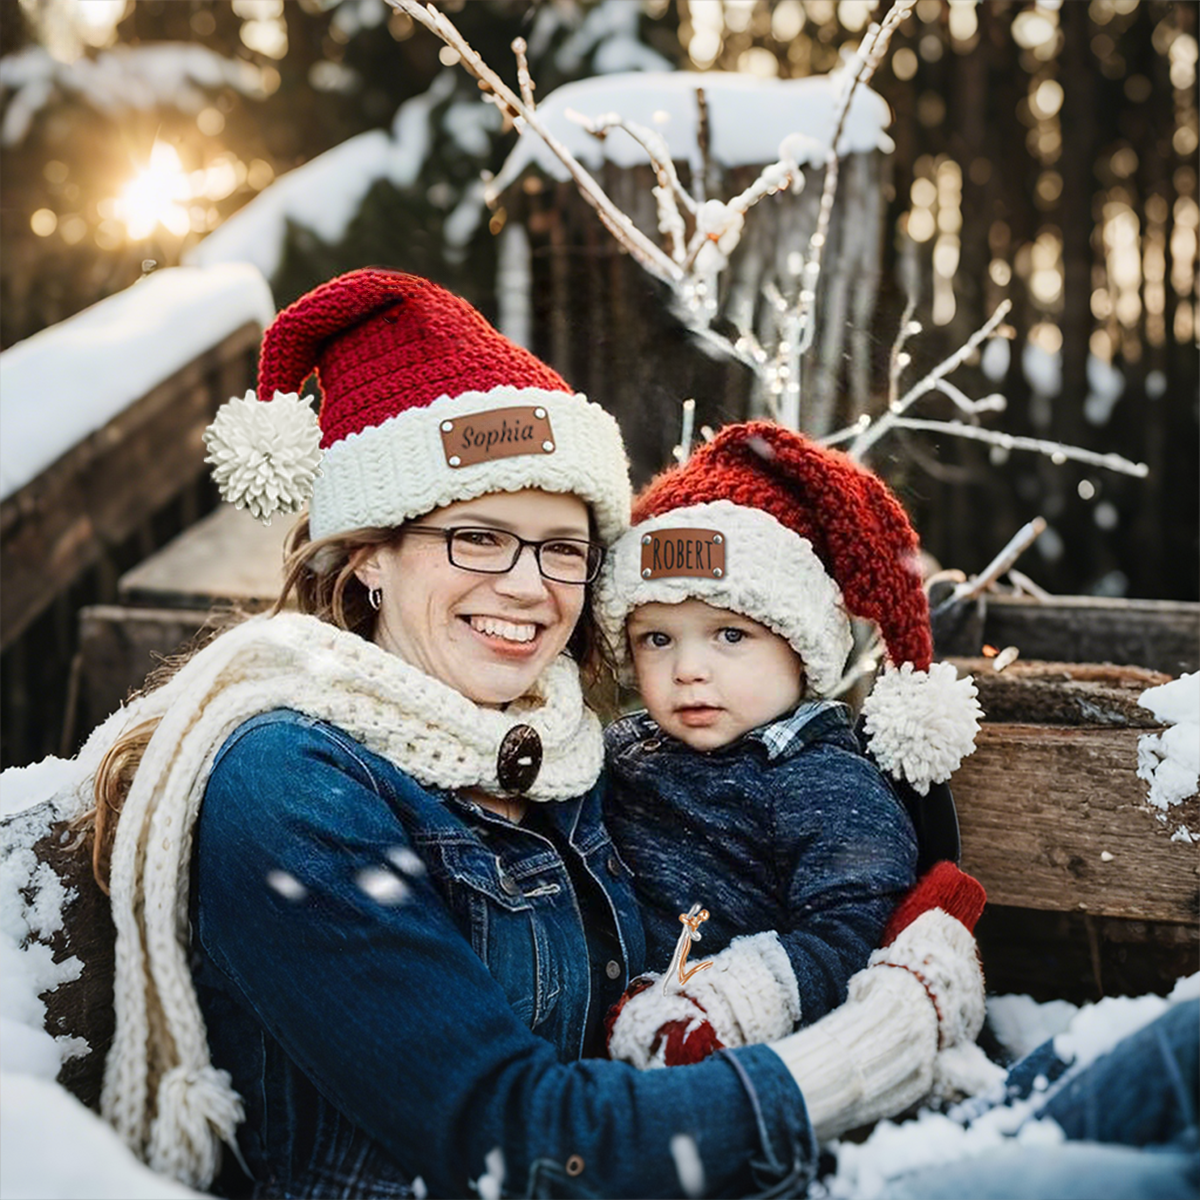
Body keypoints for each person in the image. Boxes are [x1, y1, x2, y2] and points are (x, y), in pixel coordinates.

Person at [82, 268, 985, 1199]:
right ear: (370, 561)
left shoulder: (560, 750)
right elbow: (513, 1138)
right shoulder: (289, 783)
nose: (527, 586)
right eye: (478, 536)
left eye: (562, 547)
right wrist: (866, 1053)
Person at [595, 422, 983, 1067]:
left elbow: (853, 938)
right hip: (618, 1036)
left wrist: (732, 1005)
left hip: (748, 1055)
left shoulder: (822, 783)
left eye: (729, 635)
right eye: (657, 638)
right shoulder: (625, 754)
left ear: (801, 648)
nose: (688, 668)